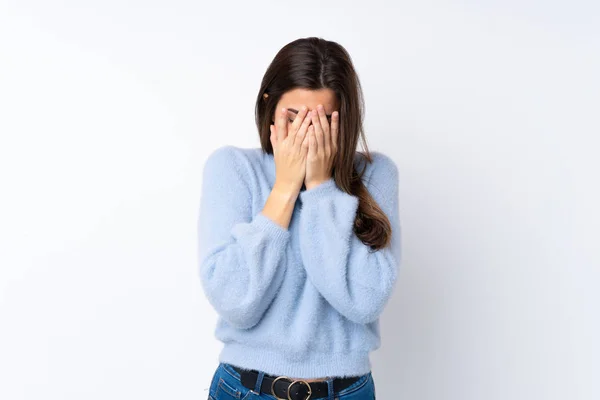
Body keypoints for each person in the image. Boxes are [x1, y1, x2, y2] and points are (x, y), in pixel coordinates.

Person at [197, 37, 401, 400]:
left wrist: (321, 187)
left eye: (321, 121)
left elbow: (365, 301)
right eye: (294, 118)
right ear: (270, 107)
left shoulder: (375, 174)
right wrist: (286, 188)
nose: (306, 134)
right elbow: (235, 302)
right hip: (245, 389)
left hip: (346, 390)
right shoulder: (232, 168)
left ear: (345, 118)